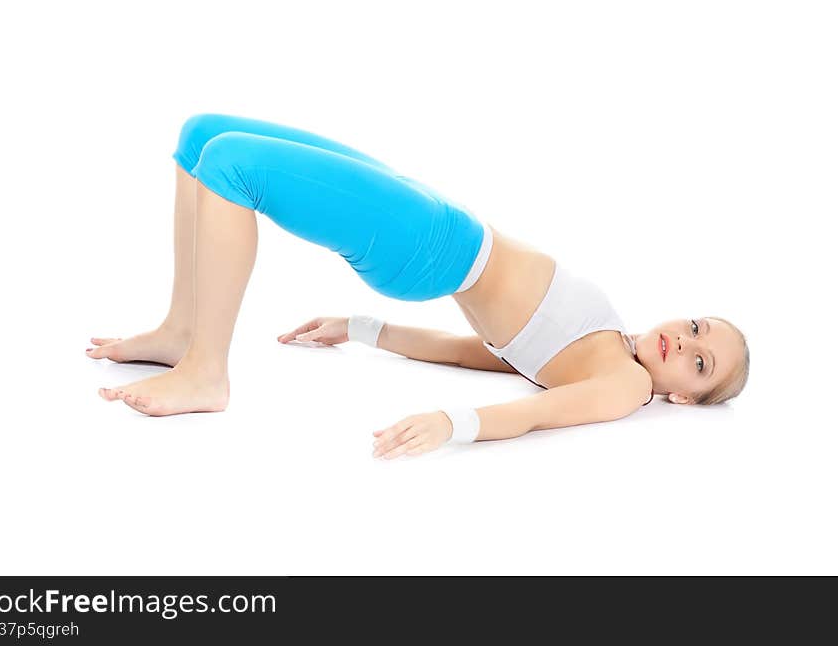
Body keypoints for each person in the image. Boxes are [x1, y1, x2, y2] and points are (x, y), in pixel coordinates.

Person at [87, 113, 750, 458]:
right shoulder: (608, 345)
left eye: (700, 363)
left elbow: (541, 413)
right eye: (696, 327)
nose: (683, 343)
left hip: (429, 246)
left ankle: (207, 371)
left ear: (687, 401)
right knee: (201, 134)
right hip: (437, 219)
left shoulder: (626, 384)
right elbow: (488, 352)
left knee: (232, 165)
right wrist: (363, 329)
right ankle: (181, 329)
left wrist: (453, 423)